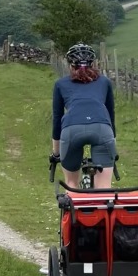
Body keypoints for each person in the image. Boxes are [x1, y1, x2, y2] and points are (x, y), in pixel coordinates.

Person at [50, 42, 117, 189]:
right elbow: (110, 114)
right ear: (93, 63)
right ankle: (103, 208)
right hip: (102, 129)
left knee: (71, 184)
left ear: (70, 65)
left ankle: (73, 204)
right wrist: (113, 144)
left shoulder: (60, 84)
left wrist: (56, 153)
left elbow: (57, 119)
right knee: (104, 187)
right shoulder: (104, 82)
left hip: (71, 129)